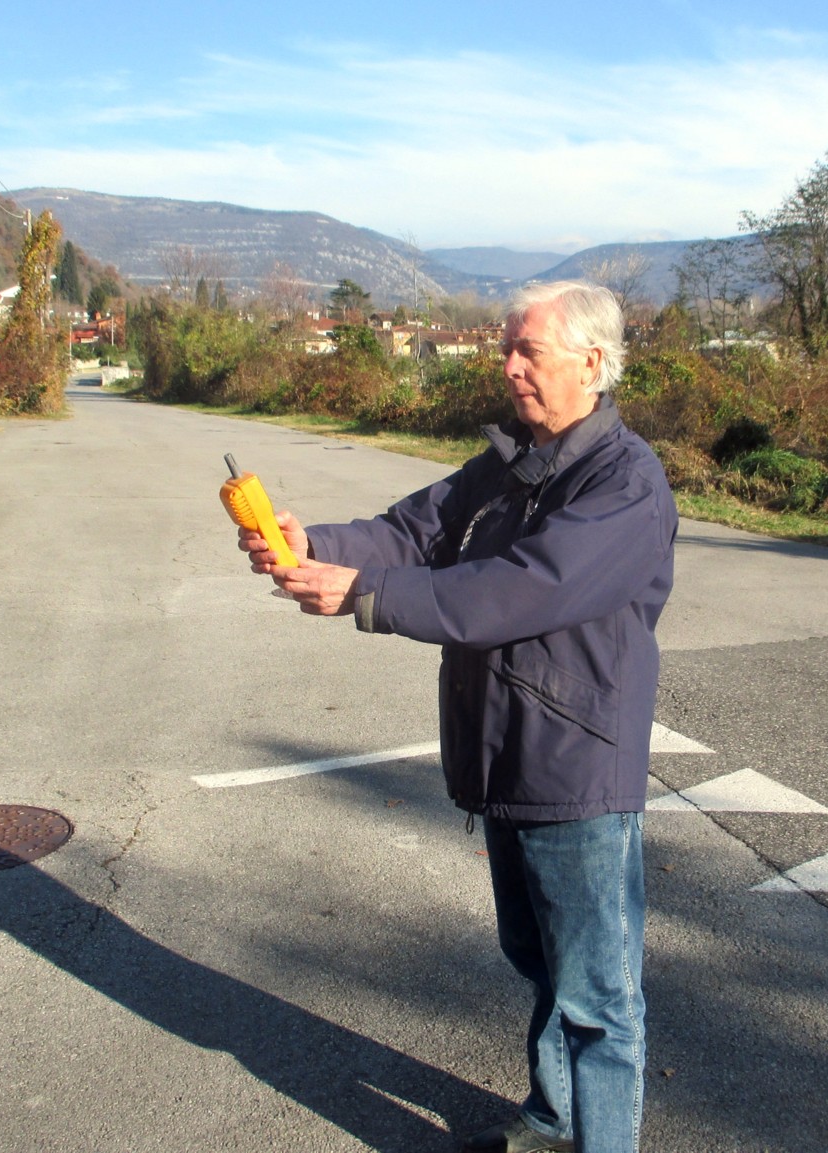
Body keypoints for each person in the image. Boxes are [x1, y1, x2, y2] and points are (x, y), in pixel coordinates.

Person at [237, 280, 678, 1153]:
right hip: (504, 754)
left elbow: (518, 588)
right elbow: (417, 528)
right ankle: (551, 1122)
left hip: (575, 768)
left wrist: (366, 595)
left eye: (528, 353)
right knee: (538, 962)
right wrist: (313, 543)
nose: (507, 368)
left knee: (598, 999)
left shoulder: (626, 484)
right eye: (506, 350)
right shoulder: (515, 459)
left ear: (593, 362)